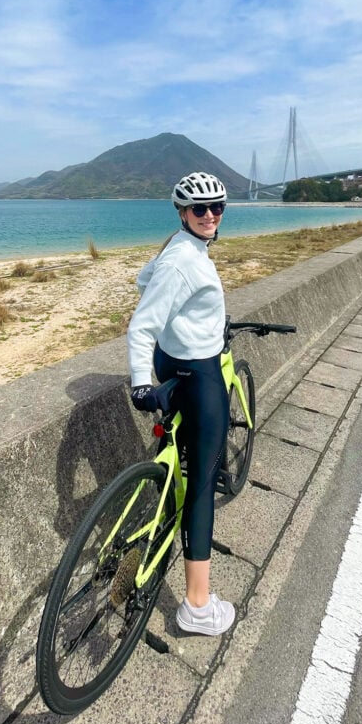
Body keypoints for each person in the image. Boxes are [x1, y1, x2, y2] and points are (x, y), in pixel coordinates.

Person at [127, 171, 234, 637]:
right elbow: (140, 325)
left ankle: (168, 484)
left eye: (218, 208)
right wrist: (136, 383)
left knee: (181, 446)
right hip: (198, 371)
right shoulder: (182, 261)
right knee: (203, 485)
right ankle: (196, 607)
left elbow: (142, 278)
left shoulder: (179, 246)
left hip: (172, 360)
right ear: (182, 211)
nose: (210, 216)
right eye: (199, 209)